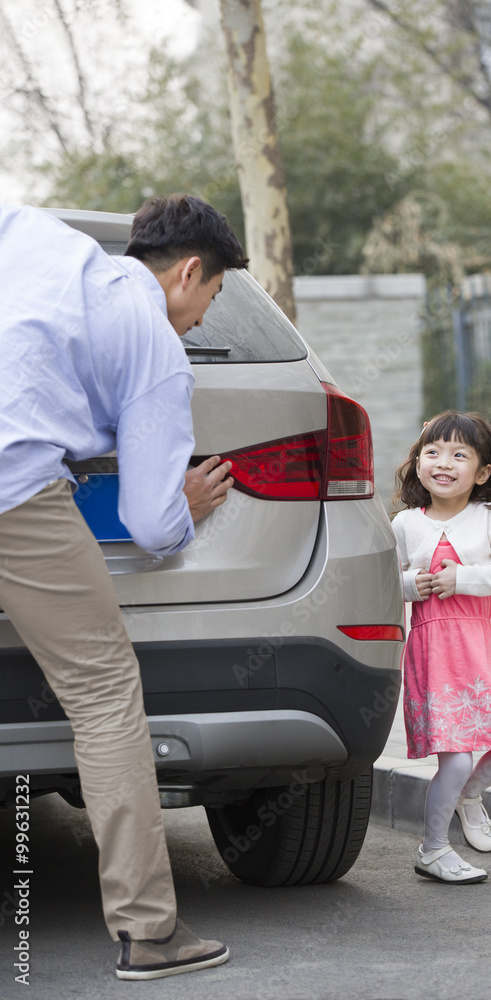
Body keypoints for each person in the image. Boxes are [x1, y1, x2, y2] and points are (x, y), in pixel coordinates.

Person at [0, 195, 249, 979]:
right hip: (14, 494)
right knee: (105, 696)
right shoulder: (155, 346)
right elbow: (148, 522)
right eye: (210, 298)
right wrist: (188, 506)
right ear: (186, 273)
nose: (202, 320)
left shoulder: (32, 234)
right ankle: (149, 932)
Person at [391, 411, 491, 885]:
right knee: (453, 759)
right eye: (432, 452)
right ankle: (433, 850)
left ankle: (470, 795)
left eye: (459, 454)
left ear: (482, 472)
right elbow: (383, 583)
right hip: (432, 656)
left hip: (477, 652)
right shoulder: (406, 525)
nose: (443, 462)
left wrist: (465, 578)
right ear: (418, 464)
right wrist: (414, 584)